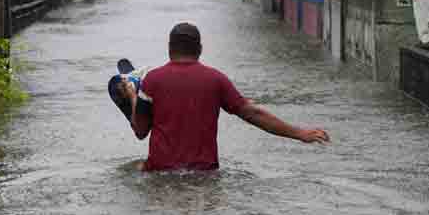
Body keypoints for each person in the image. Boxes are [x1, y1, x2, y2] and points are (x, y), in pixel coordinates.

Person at [119, 22, 329, 171]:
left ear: (169, 48)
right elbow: (253, 114)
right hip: (205, 174)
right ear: (199, 49)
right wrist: (300, 133)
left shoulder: (152, 81)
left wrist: (133, 96)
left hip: (161, 174)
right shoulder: (216, 80)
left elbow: (140, 131)